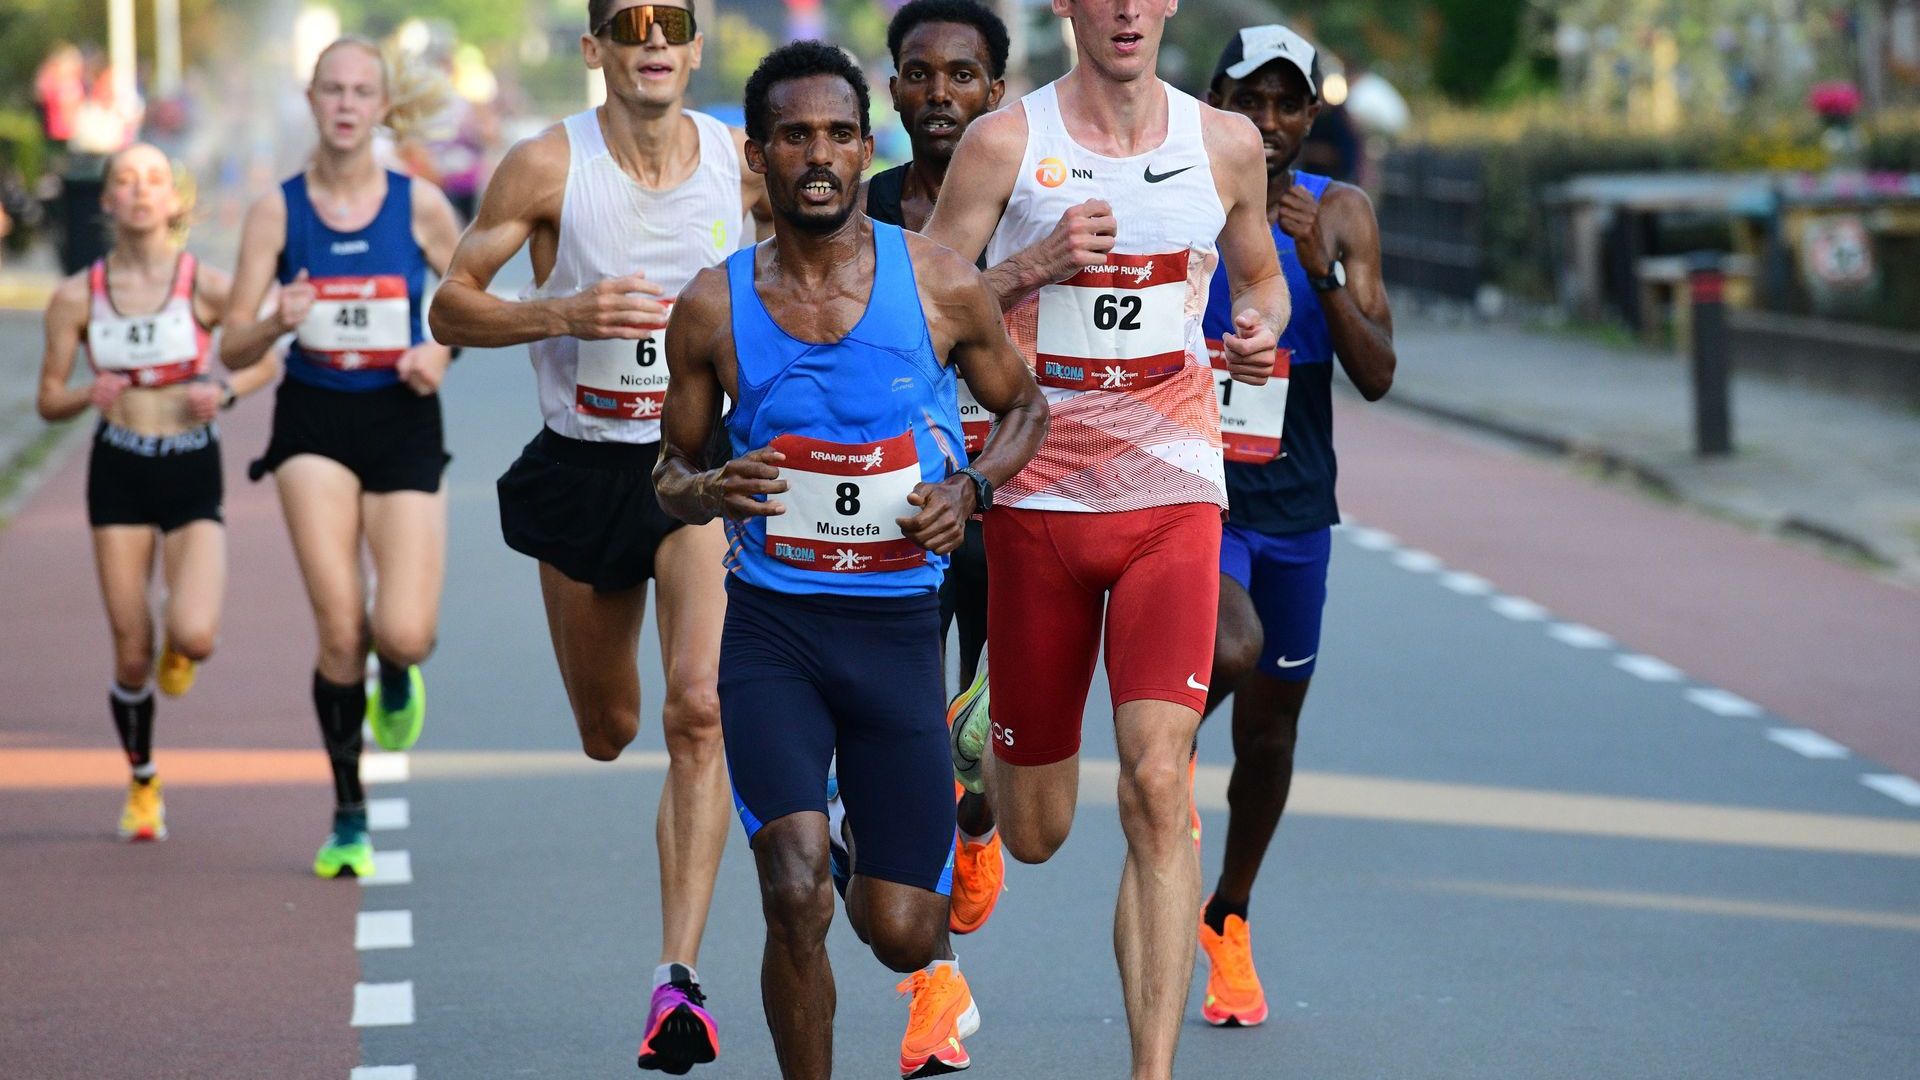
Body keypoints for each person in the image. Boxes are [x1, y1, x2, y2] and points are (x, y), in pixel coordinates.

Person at [652, 41, 1045, 1080]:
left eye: (837, 135)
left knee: (904, 932)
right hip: (776, 633)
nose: (818, 156)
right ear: (758, 156)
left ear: (864, 146)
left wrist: (972, 489)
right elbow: (669, 469)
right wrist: (706, 490)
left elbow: (1025, 408)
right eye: (794, 136)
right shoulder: (710, 307)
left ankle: (934, 834)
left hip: (898, 634)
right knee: (792, 888)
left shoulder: (940, 285)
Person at [923, 1, 1290, 1074]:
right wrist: (1029, 269)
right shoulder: (1007, 143)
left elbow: (1258, 271)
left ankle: (1152, 1067)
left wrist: (1259, 324)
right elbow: (920, 307)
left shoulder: (1222, 143)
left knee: (1157, 781)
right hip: (1037, 499)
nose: (1126, 8)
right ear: (1067, 9)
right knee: (1039, 832)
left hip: (1174, 488)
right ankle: (981, 757)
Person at [428, 3, 768, 1070]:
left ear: (697, 47)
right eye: (630, 21)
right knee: (610, 727)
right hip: (584, 466)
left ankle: (679, 981)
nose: (654, 35)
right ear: (597, 50)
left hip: (696, 467)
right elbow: (450, 307)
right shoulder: (545, 167)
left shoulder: (743, 165)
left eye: (674, 19)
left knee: (699, 708)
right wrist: (562, 315)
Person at [220, 37, 462, 880]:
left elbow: (467, 300)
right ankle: (348, 811)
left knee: (402, 631)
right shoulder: (277, 212)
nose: (348, 104)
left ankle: (396, 671)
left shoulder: (421, 205)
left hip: (402, 419)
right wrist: (277, 318)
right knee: (338, 629)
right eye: (334, 90)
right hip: (312, 420)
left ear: (384, 106)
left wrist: (441, 351)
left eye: (363, 91)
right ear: (313, 98)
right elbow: (231, 340)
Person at [1193, 24, 1395, 1028]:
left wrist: (1317, 267)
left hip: (1298, 508)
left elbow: (1378, 375)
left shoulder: (1343, 213)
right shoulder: (1180, 203)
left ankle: (1228, 915)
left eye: (1286, 104)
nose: (1266, 124)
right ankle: (1163, 771)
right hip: (1199, 495)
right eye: (1247, 101)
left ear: (1313, 114)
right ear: (1214, 101)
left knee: (1272, 731)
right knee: (1224, 652)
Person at [34, 143, 278, 841]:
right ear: (106, 202)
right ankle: (143, 781)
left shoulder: (206, 285)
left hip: (191, 465)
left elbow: (262, 353)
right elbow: (48, 399)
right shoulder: (76, 296)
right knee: (131, 650)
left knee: (194, 635)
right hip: (118, 468)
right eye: (125, 181)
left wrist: (223, 388)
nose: (140, 191)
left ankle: (183, 649)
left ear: (175, 201)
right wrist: (87, 392)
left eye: (154, 180)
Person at [865, 0, 1009, 943]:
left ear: (997, 94)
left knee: (982, 744)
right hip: (896, 506)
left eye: (963, 75)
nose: (940, 92)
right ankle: (931, 979)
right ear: (893, 90)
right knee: (909, 734)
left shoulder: (1029, 204)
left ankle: (980, 817)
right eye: (920, 72)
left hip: (1005, 499)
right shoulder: (862, 206)